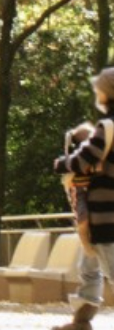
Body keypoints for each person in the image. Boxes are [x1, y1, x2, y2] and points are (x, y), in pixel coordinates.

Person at [55, 66, 114, 329]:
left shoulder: (108, 127)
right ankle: (82, 320)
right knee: (89, 265)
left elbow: (84, 159)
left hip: (105, 213)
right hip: (99, 215)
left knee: (108, 267)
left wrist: (61, 163)